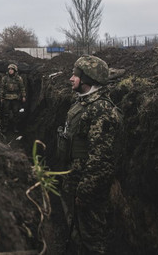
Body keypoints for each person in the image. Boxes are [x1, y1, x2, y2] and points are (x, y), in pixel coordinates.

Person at [57, 55, 123, 254]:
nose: (71, 78)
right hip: (74, 181)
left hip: (87, 190)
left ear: (87, 79)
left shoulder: (102, 111)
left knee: (92, 239)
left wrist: (85, 192)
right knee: (76, 232)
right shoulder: (82, 104)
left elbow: (102, 159)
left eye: (75, 75)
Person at [0, 63, 26, 132]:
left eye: (12, 69)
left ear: (15, 70)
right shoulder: (5, 78)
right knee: (5, 113)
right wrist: (1, 97)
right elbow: (2, 88)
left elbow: (22, 88)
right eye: (9, 69)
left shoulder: (18, 78)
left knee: (15, 113)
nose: (10, 71)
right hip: (7, 98)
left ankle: (15, 127)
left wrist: (23, 96)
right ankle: (5, 127)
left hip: (15, 98)